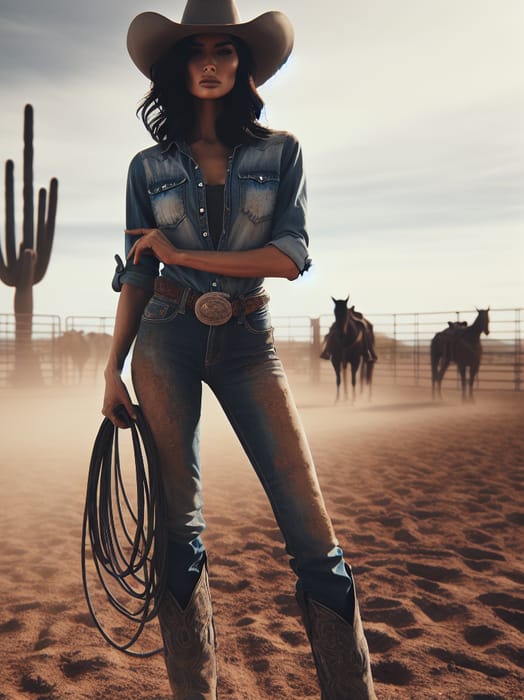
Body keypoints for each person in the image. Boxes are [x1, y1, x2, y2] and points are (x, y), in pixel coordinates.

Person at [102, 1, 377, 697]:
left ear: (244, 65)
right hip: (164, 339)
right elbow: (137, 276)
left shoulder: (280, 152)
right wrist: (111, 367)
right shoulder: (147, 166)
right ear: (176, 66)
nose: (212, 63)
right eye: (197, 52)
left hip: (251, 342)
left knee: (314, 538)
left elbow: (288, 259)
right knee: (177, 532)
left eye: (225, 51)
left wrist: (176, 251)